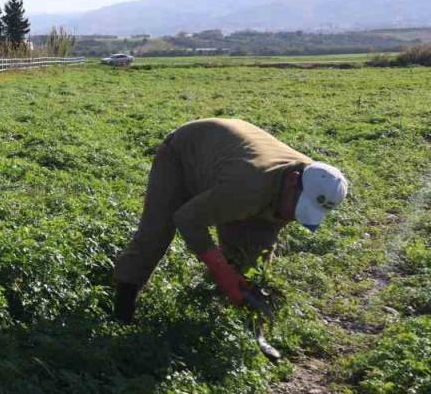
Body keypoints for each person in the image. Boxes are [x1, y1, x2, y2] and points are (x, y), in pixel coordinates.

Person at [113, 118, 349, 324]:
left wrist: (253, 278)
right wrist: (220, 269)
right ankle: (121, 309)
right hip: (184, 152)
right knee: (156, 234)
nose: (293, 217)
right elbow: (187, 219)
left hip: (229, 163)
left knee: (250, 253)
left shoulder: (308, 178)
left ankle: (240, 322)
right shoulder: (248, 189)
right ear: (292, 181)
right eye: (297, 208)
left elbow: (267, 233)